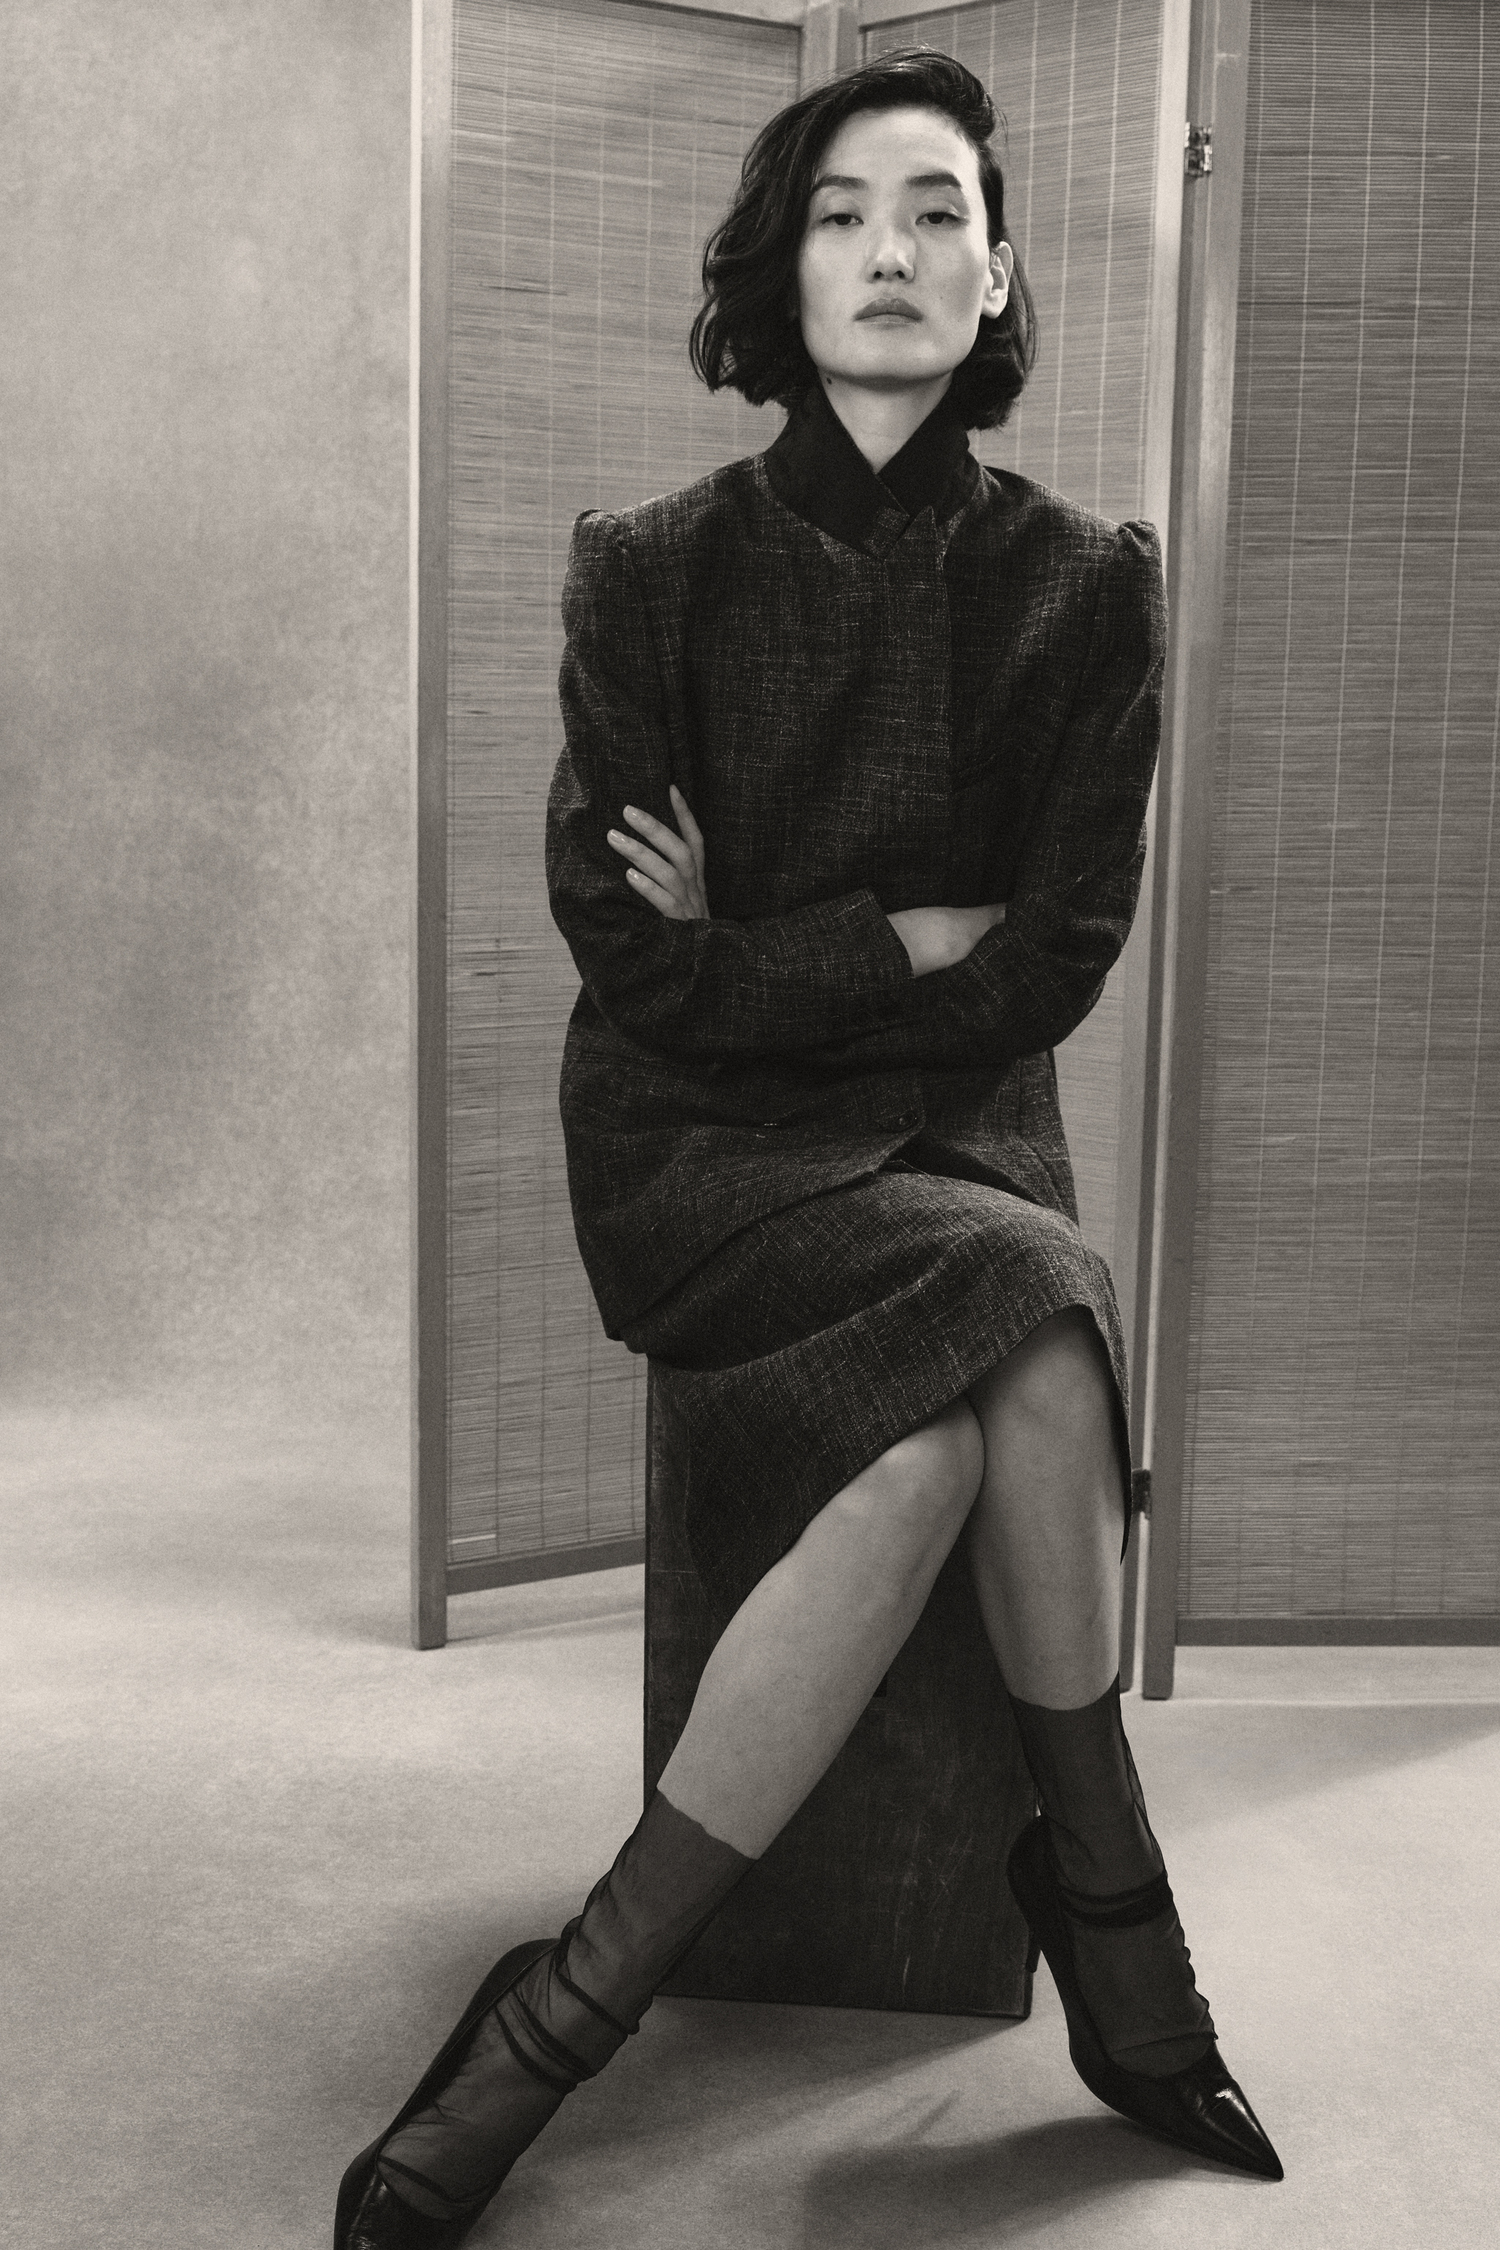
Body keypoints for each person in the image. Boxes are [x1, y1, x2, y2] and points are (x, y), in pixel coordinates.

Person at [335, 46, 1281, 2248]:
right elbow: (626, 958)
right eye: (847, 211)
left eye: (943, 210)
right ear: (783, 269)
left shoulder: (1088, 582)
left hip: (962, 1139)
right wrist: (895, 935)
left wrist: (759, 940)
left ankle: (560, 2014)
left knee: (960, 1414)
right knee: (1037, 1311)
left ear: (999, 273)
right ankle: (1122, 1940)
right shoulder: (647, 568)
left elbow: (1053, 961)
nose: (894, 250)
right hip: (693, 1152)